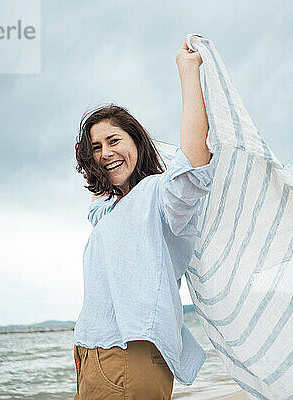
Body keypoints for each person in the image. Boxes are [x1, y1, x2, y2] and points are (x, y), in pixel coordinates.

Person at [72, 39, 214, 399]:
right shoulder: (109, 209)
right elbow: (97, 199)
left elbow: (195, 164)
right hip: (90, 353)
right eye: (96, 148)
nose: (105, 153)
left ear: (136, 139)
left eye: (114, 140)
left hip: (128, 355)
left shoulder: (159, 195)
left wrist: (188, 71)